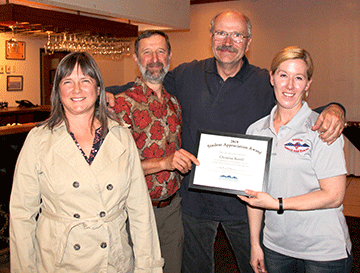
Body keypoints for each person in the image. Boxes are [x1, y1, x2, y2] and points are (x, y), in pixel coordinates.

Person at [106, 10, 345, 273]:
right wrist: (108, 92)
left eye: (237, 35)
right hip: (194, 203)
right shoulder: (187, 74)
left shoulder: (263, 81)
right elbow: (149, 83)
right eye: (221, 33)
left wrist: (335, 108)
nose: (227, 41)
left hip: (246, 203)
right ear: (211, 37)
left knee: (254, 266)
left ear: (248, 42)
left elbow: (295, 99)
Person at [9, 52, 164, 272]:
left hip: (113, 260)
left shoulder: (121, 137)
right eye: (67, 82)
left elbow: (140, 211)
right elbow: (22, 214)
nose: (77, 90)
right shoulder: (38, 140)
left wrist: (147, 266)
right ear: (58, 91)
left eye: (85, 81)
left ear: (98, 89)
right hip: (59, 261)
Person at [238, 46, 352, 273]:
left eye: (298, 78)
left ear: (308, 84)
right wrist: (254, 245)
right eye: (283, 75)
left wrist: (277, 204)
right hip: (275, 248)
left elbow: (334, 196)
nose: (289, 85)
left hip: (323, 252)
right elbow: (254, 195)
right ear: (271, 78)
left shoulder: (322, 128)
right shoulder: (256, 130)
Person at [113, 30, 199, 273]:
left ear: (169, 55)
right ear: (135, 57)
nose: (154, 59)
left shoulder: (175, 104)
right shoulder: (121, 104)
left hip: (172, 210)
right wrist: (164, 163)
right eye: (146, 52)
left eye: (160, 51)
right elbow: (116, 167)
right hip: (134, 211)